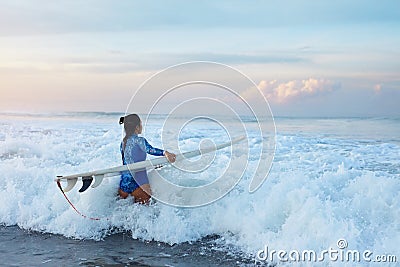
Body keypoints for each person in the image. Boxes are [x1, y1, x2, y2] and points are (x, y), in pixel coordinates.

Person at [118, 114, 176, 204]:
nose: (142, 126)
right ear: (137, 127)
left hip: (123, 185)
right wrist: (165, 153)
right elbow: (150, 150)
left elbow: (129, 161)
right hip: (139, 183)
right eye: (141, 124)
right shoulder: (140, 140)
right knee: (148, 212)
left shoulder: (123, 143)